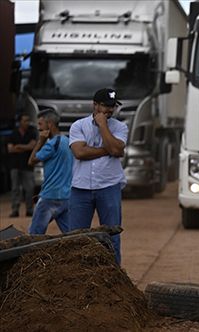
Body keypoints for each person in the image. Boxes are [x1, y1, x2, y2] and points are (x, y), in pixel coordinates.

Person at [68, 88, 128, 265]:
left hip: (109, 186)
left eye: (113, 106)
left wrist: (103, 125)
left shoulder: (120, 126)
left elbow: (117, 149)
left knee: (112, 237)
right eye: (106, 105)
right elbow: (79, 152)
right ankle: (74, 278)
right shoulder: (78, 126)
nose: (110, 110)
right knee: (75, 239)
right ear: (95, 105)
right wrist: (107, 150)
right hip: (80, 188)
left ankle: (115, 279)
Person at [27, 110, 73, 234]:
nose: (38, 127)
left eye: (41, 124)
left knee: (34, 235)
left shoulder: (51, 144)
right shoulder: (67, 141)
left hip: (49, 196)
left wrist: (40, 141)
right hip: (66, 196)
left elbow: (31, 161)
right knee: (72, 235)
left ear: (50, 124)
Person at [7, 114, 37, 218]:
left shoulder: (32, 132)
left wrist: (18, 146)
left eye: (28, 120)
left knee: (29, 189)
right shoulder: (13, 133)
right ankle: (15, 210)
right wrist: (26, 147)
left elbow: (32, 146)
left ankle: (29, 209)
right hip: (14, 165)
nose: (27, 123)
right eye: (25, 121)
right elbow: (10, 149)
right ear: (20, 122)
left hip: (27, 165)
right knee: (15, 189)